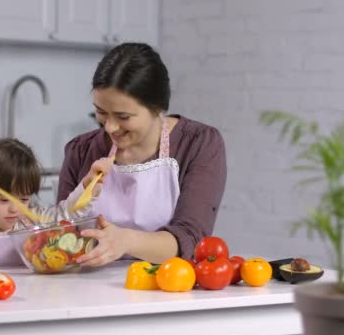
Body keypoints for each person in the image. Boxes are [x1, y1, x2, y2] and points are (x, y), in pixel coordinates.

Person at [57, 43, 227, 267]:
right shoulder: (81, 150)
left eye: (123, 117)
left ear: (157, 108)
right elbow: (58, 236)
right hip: (88, 289)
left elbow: (191, 238)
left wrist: (127, 241)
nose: (109, 127)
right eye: (101, 112)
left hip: (168, 287)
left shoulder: (198, 144)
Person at [0, 138, 111, 266]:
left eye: (24, 199)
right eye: (4, 199)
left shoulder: (30, 221)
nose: (15, 209)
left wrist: (89, 184)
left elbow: (68, 214)